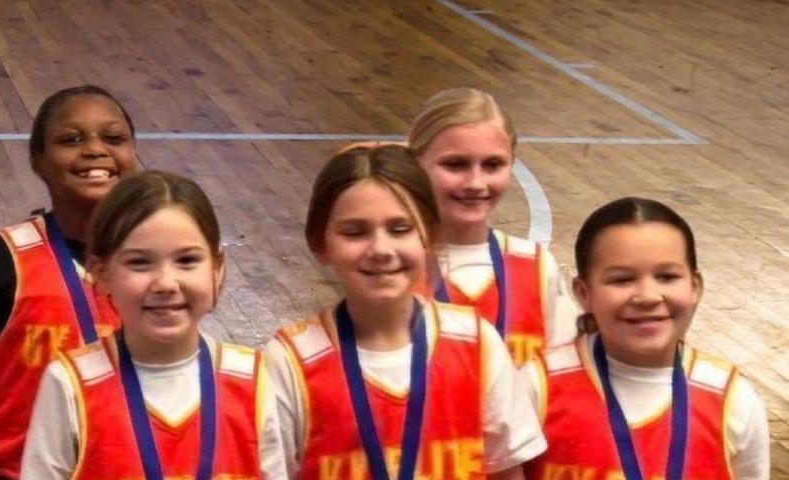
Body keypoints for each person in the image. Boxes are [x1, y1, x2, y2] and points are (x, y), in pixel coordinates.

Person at [263, 144, 544, 478]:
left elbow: (508, 472)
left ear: (430, 234)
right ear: (320, 243)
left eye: (400, 229)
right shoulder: (289, 360)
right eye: (355, 232)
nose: (381, 249)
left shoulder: (477, 343)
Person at [22, 171, 287, 479]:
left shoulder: (255, 380)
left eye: (187, 260)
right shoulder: (69, 384)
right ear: (101, 273)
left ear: (217, 269)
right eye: (139, 262)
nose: (165, 283)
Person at [0, 85, 137, 477]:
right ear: (37, 160)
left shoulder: (160, 263)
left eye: (114, 138)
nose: (95, 149)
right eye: (70, 139)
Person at [523, 197, 770, 479]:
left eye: (666, 276)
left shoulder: (732, 399)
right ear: (583, 293)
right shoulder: (536, 385)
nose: (648, 296)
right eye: (622, 280)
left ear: (695, 286)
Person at [407, 87, 579, 365]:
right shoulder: (394, 264)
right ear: (415, 164)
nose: (476, 183)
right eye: (455, 164)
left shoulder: (534, 266)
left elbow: (570, 373)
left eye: (493, 165)